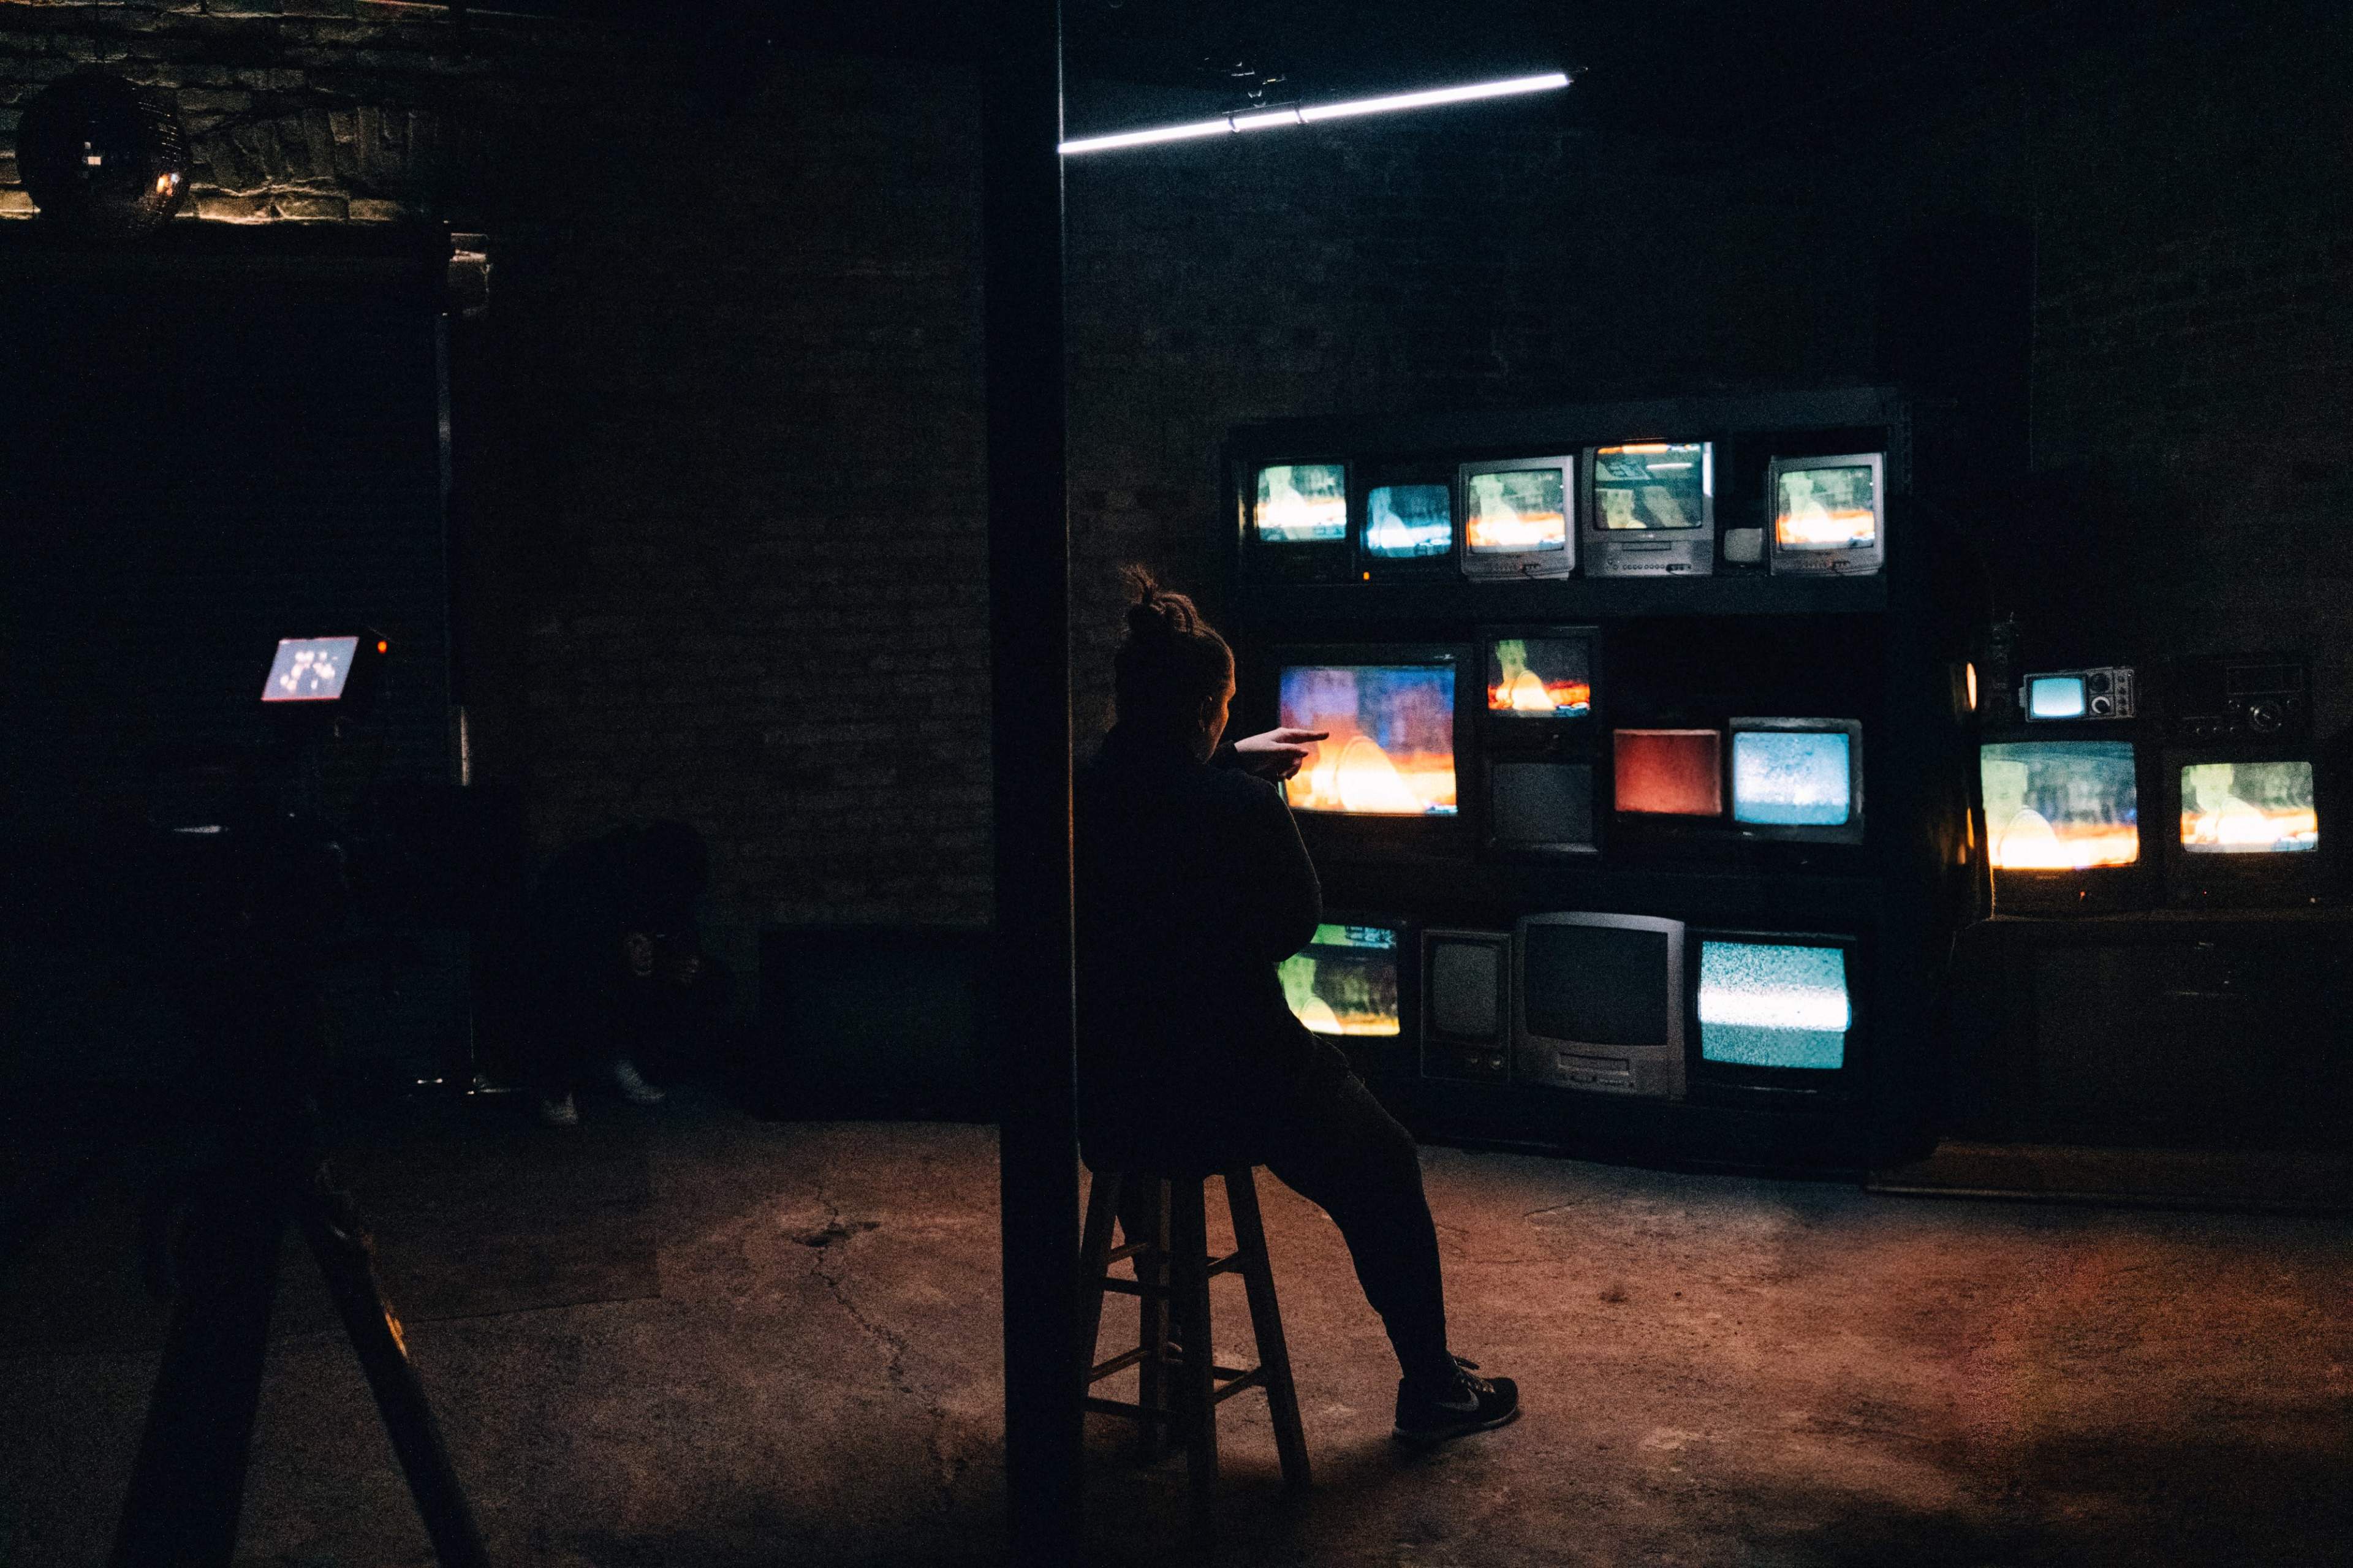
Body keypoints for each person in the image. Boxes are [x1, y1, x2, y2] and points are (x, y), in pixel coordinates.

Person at [1074, 570, 1520, 1448]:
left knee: (1153, 1143)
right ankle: (1432, 1388)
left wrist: (1230, 758)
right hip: (1231, 1081)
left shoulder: (1078, 793)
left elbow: (1151, 784)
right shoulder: (1238, 807)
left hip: (1113, 1087)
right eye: (1223, 708)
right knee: (1388, 1163)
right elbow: (1294, 922)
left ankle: (1168, 1347)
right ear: (1208, 704)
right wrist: (1248, 788)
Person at [523, 819, 728, 1127]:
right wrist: (621, 947)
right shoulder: (589, 870)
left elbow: (680, 926)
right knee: (579, 983)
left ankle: (620, 1057)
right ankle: (556, 1083)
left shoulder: (667, 881)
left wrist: (682, 960)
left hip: (627, 968)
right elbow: (559, 940)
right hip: (568, 963)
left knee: (713, 981)